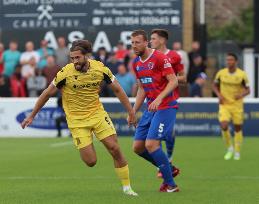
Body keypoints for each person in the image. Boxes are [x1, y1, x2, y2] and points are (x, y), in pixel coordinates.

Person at [21, 39, 138, 196]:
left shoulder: (100, 68)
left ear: (87, 56)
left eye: (77, 57)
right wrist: (32, 115)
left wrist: (130, 112)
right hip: (76, 120)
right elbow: (47, 93)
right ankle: (86, 141)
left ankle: (127, 188)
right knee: (91, 162)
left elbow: (117, 89)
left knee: (115, 148)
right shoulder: (65, 72)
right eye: (72, 58)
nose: (74, 61)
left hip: (97, 114)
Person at [130, 30, 179, 192]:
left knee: (151, 144)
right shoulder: (136, 63)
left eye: (137, 42)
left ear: (146, 43)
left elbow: (173, 81)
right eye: (132, 43)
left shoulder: (159, 57)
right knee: (138, 147)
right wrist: (133, 111)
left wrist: (159, 98)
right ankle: (168, 168)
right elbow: (142, 88)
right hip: (151, 108)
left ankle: (171, 184)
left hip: (166, 106)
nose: (134, 46)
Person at [150, 29, 186, 178]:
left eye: (153, 39)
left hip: (169, 100)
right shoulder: (149, 56)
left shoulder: (174, 56)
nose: (150, 41)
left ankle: (168, 159)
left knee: (168, 135)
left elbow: (183, 77)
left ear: (162, 40)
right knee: (153, 138)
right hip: (153, 101)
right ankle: (163, 166)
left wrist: (170, 78)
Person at [212, 53, 250, 160]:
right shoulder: (221, 73)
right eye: (227, 60)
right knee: (224, 125)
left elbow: (248, 90)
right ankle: (230, 148)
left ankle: (237, 151)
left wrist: (241, 94)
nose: (229, 62)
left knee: (238, 128)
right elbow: (214, 85)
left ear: (236, 61)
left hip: (237, 105)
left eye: (231, 60)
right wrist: (219, 95)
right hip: (224, 105)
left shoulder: (242, 74)